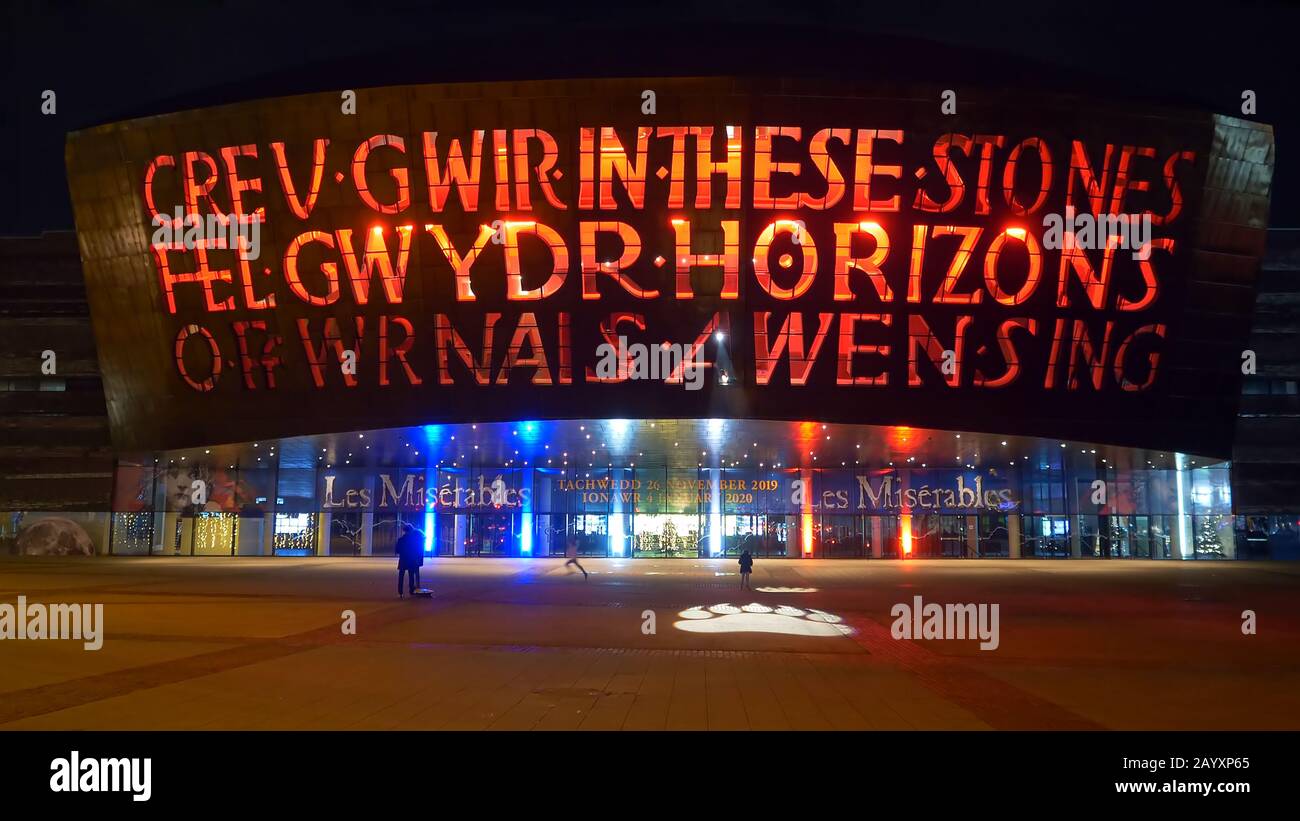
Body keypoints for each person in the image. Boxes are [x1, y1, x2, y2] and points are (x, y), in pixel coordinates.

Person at [394, 521, 424, 597]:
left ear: (404, 531)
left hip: (403, 559)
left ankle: (400, 592)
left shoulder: (401, 539)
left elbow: (397, 550)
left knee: (401, 576)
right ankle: (411, 591)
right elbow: (418, 550)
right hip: (412, 560)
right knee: (411, 576)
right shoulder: (415, 540)